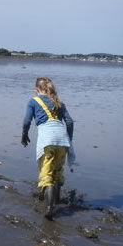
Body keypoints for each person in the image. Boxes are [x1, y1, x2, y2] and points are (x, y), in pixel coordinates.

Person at [21, 77, 75, 220]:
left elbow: (26, 121)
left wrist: (24, 134)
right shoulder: (59, 102)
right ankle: (56, 200)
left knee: (46, 175)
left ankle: (50, 208)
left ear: (37, 89)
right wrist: (69, 138)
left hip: (48, 142)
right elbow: (69, 122)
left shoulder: (33, 101)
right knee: (57, 171)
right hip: (62, 141)